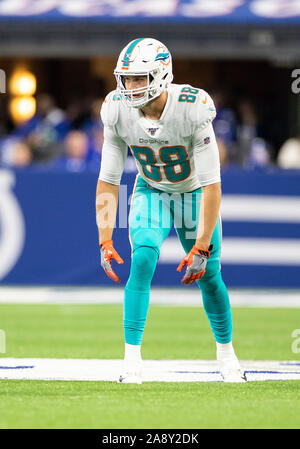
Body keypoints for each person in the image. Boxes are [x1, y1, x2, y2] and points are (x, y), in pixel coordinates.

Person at [96, 38, 247, 384]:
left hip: (194, 194)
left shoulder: (192, 107)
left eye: (139, 79)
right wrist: (105, 238)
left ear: (162, 75)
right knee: (143, 258)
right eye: (127, 79)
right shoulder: (117, 110)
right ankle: (131, 360)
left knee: (209, 275)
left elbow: (211, 184)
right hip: (152, 191)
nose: (130, 87)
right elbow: (108, 179)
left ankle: (227, 355)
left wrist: (202, 246)